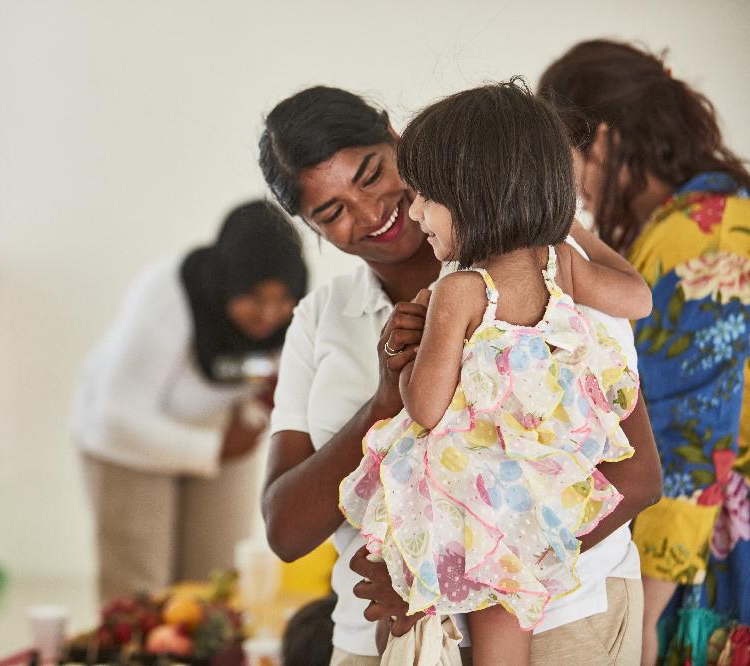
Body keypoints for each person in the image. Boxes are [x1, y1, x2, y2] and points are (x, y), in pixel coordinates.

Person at [258, 85, 662, 666]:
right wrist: (382, 401)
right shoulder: (321, 317)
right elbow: (287, 530)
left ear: (399, 142)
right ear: (309, 227)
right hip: (381, 637)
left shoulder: (544, 265)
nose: (373, 214)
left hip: (560, 622)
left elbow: (637, 476)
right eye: (332, 212)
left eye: (371, 175)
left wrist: (439, 576)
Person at [539, 39, 750, 666]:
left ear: (602, 140)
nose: (568, 185)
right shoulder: (701, 216)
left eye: (563, 158)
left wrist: (651, 608)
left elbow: (693, 434)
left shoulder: (700, 235)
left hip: (705, 551)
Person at [70, 200, 307, 600]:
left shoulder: (297, 313)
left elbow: (267, 376)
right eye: (255, 297)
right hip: (127, 443)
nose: (269, 314)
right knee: (140, 596)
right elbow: (115, 418)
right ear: (230, 281)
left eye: (282, 298)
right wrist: (216, 448)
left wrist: (264, 406)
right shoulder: (167, 296)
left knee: (213, 589)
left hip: (220, 435)